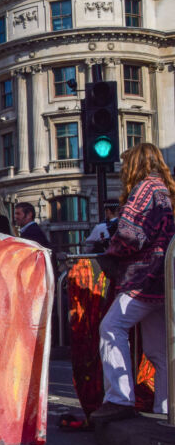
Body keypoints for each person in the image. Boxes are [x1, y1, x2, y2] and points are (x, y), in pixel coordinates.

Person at [91, 143, 175, 422]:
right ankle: (165, 407)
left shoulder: (144, 189)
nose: (123, 170)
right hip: (165, 279)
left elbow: (129, 234)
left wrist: (111, 250)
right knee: (159, 350)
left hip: (142, 277)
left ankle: (119, 398)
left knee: (111, 327)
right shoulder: (167, 190)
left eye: (125, 164)